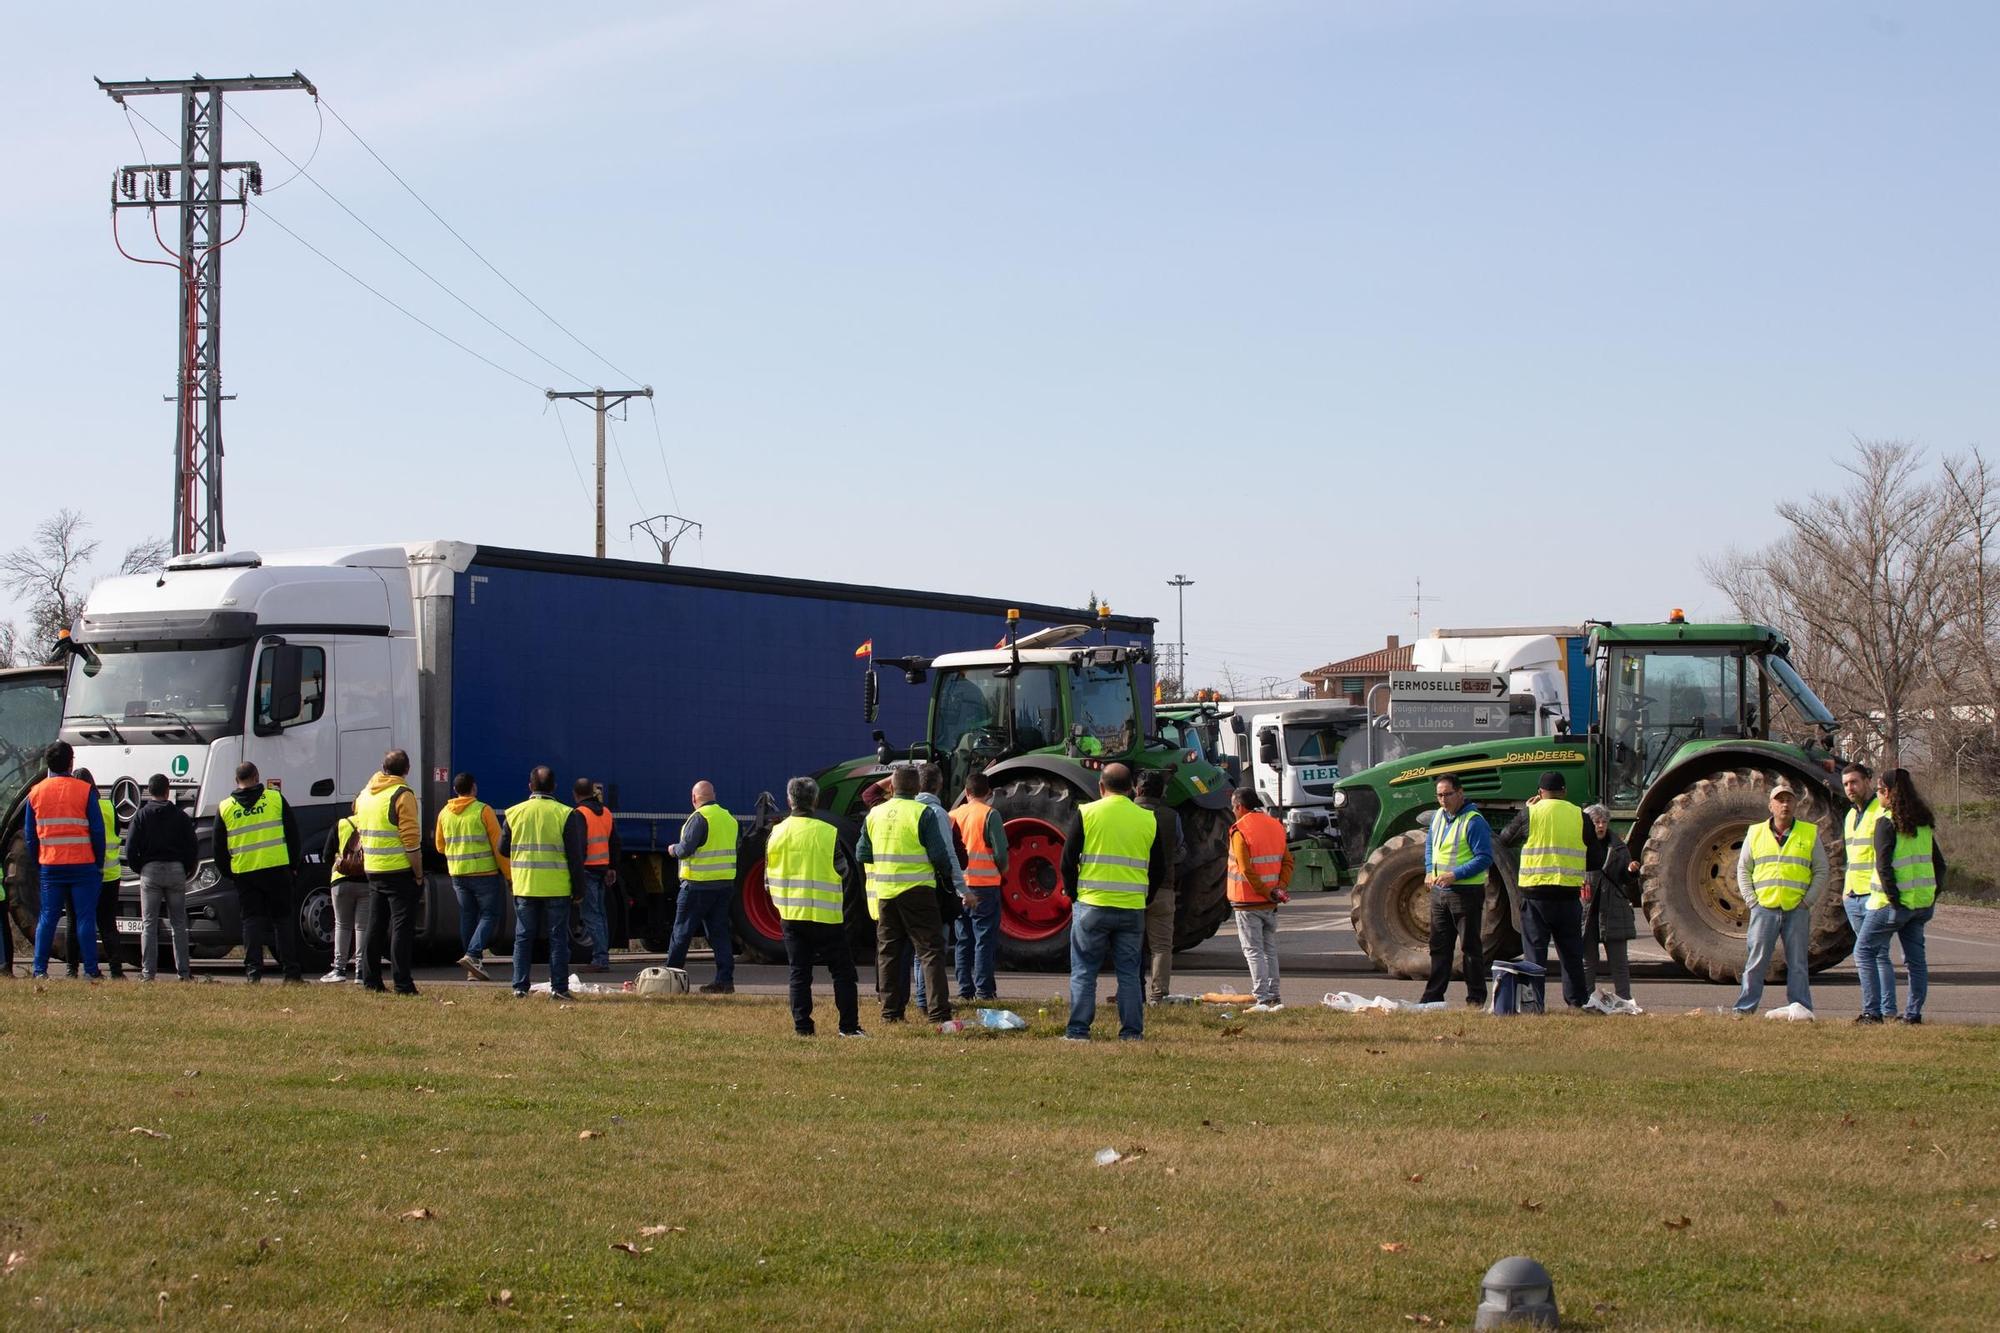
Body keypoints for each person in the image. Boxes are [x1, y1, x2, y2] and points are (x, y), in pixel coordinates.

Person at [1059, 763, 1170, 1041]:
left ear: (1101, 786)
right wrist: (1146, 896)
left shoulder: (1087, 813)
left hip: (1091, 905)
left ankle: (1078, 1031)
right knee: (1129, 974)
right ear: (1132, 788)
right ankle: (1131, 1033)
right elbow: (1159, 867)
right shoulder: (1147, 818)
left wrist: (1073, 894)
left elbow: (1067, 861)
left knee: (1084, 971)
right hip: (1132, 908)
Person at [856, 764, 957, 1025]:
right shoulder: (923, 813)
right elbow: (939, 855)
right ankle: (938, 1013)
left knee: (889, 952)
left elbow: (862, 854)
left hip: (886, 892)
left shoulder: (875, 814)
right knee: (930, 951)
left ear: (892, 786)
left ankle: (891, 1013)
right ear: (918, 787)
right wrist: (945, 876)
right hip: (919, 891)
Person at [767, 775, 863, 1036]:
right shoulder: (827, 832)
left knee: (799, 973)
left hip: (791, 914)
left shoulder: (776, 833)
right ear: (816, 800)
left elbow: (768, 878)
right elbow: (843, 871)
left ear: (789, 800)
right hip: (826, 915)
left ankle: (803, 1028)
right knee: (842, 973)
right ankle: (849, 1028)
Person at [1498, 771, 1598, 1009]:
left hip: (1535, 896)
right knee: (1572, 953)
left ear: (1540, 792)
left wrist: (1527, 809)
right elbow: (1595, 859)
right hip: (1567, 896)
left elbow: (1504, 840)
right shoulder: (1579, 816)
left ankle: (1535, 1005)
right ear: (1564, 792)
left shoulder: (1530, 813)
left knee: (1534, 955)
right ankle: (1576, 1002)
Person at [1854, 767, 1946, 1025]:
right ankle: (1913, 1015)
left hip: (1892, 905)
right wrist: (1932, 894)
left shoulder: (1886, 822)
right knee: (1916, 961)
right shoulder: (1924, 823)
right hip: (1920, 905)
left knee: (1863, 951)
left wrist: (1894, 899)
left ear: (1890, 793)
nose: (1878, 796)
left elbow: (1883, 866)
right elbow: (1940, 865)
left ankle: (1872, 1013)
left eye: (1881, 791)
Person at [1730, 778, 1828, 1015]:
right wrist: (1752, 901)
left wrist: (1808, 901)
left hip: (1796, 908)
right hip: (1764, 908)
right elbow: (1743, 869)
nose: (1784, 805)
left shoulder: (1808, 833)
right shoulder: (1755, 833)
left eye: (1789, 800)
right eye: (1779, 800)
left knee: (1798, 964)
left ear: (1795, 805)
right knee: (1756, 961)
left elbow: (1822, 869)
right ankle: (1744, 1008)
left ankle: (1801, 1007)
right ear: (1770, 806)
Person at [500, 765, 587, 999]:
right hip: (556, 887)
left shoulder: (513, 813)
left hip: (525, 885)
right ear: (555, 787)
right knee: (558, 938)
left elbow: (502, 848)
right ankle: (559, 988)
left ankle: (519, 987)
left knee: (523, 937)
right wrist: (579, 889)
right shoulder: (566, 813)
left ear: (530, 786)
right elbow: (574, 855)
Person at [215, 761, 305, 984]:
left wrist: (231, 873)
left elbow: (219, 849)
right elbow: (293, 834)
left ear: (237, 781)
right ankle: (291, 973)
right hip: (276, 869)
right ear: (257, 777)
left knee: (252, 922)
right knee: (282, 921)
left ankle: (253, 974)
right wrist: (293, 866)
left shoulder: (225, 807)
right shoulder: (274, 799)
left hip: (245, 872)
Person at [26, 741, 107, 980]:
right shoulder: (84, 790)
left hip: (50, 865)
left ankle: (39, 970)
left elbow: (30, 837)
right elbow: (98, 831)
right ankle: (91, 970)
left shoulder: (36, 792)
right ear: (71, 762)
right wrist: (98, 862)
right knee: (85, 918)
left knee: (48, 917)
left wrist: (38, 862)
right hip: (83, 864)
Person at [1419, 774, 1492, 1008]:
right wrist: (1430, 870)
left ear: (1460, 793)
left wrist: (1455, 875)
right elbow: (1431, 845)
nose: (1443, 800)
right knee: (1439, 946)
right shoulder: (1439, 816)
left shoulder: (1473, 820)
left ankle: (1476, 998)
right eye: (1439, 795)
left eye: (1447, 794)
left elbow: (1484, 858)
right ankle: (1432, 997)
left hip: (1465, 892)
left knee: (1470, 947)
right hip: (1440, 892)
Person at [355, 749, 423, 995]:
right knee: (401, 929)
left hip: (373, 868)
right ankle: (403, 983)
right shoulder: (402, 794)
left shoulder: (365, 794)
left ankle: (370, 979)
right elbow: (411, 840)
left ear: (383, 768)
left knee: (375, 925)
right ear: (407, 770)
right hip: (398, 869)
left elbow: (360, 827)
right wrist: (418, 873)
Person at [666, 781, 740, 994]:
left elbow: (685, 849)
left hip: (697, 886)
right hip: (724, 886)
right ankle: (725, 981)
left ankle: (672, 979)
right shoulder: (729, 818)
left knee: (682, 932)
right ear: (714, 795)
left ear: (693, 798)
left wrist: (672, 849)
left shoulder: (699, 818)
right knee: (719, 934)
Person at [438, 772, 510, 981]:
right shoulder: (483, 810)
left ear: (455, 790)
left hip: (458, 874)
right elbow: (499, 846)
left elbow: (440, 846)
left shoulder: (444, 813)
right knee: (489, 915)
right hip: (484, 874)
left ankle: (473, 967)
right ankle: (473, 954)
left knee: (467, 916)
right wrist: (508, 874)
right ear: (474, 788)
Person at [124, 773, 196, 982]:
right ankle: (183, 973)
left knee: (149, 924)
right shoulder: (180, 816)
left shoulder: (141, 815)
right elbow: (191, 846)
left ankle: (148, 973)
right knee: (179, 924)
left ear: (149, 790)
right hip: (175, 870)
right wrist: (185, 868)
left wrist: (141, 868)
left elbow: (130, 848)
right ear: (168, 791)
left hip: (150, 871)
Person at [1228, 788, 1293, 1012]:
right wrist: (1278, 889)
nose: (1232, 811)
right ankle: (1275, 996)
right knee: (1269, 950)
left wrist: (1265, 892)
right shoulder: (1275, 825)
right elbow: (1288, 862)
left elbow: (1245, 868)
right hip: (1271, 903)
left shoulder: (1240, 831)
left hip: (1247, 902)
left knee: (1253, 950)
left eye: (1233, 806)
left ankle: (1262, 999)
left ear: (1239, 806)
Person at [949, 770, 1010, 1001]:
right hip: (985, 886)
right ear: (989, 793)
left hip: (958, 887)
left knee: (963, 940)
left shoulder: (952, 815)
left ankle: (965, 990)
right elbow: (1000, 852)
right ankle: (984, 991)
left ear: (966, 792)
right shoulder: (990, 815)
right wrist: (1002, 870)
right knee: (984, 939)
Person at [911, 762, 966, 1013]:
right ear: (940, 783)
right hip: (933, 889)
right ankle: (929, 1001)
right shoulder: (937, 813)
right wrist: (962, 889)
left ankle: (921, 998)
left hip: (903, 888)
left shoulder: (906, 811)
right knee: (934, 949)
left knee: (916, 950)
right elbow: (948, 855)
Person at [63, 769, 125, 979]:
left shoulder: (77, 808)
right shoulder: (109, 806)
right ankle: (116, 971)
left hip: (82, 872)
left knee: (74, 920)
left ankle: (71, 969)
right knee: (108, 924)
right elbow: (117, 833)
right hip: (110, 874)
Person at [1580, 803, 1638, 1005]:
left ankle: (1625, 999)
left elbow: (1625, 879)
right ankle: (1585, 999)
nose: (1601, 826)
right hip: (1587, 908)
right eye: (1596, 822)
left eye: (1604, 821)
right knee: (1588, 961)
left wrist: (1631, 871)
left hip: (1613, 907)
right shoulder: (1580, 844)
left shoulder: (1619, 846)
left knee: (1619, 960)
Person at [1135, 768, 1184, 1004]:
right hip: (1164, 889)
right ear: (1161, 791)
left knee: (1129, 944)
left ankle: (1133, 991)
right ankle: (1158, 995)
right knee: (1161, 946)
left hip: (1130, 889)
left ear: (1137, 789)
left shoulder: (1127, 814)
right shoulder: (1171, 816)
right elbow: (1181, 850)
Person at [572, 777, 621, 974]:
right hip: (602, 870)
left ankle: (600, 958)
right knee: (600, 915)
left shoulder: (579, 814)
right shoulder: (606, 812)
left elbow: (579, 846)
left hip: (587, 870)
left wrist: (575, 872)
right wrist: (612, 867)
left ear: (576, 794)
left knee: (591, 916)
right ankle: (602, 956)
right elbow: (615, 842)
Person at [318, 809, 364, 984]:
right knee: (362, 927)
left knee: (342, 925)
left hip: (341, 881)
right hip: (366, 881)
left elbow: (326, 855)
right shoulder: (371, 823)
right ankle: (360, 972)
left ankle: (339, 969)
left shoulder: (342, 824)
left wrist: (339, 862)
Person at [1839, 763, 1882, 946]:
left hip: (1873, 895)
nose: (1850, 788)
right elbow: (1852, 857)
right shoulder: (1850, 816)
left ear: (1867, 781)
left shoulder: (1881, 811)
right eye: (1846, 784)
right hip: (1853, 895)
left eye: (1854, 782)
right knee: (1867, 954)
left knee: (1872, 952)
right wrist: (1845, 893)